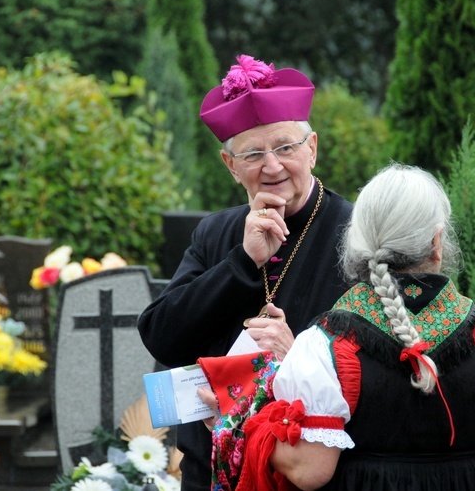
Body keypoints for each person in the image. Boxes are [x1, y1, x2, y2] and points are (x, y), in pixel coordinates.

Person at [229, 163, 475, 490]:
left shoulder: (327, 342)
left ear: (359, 242)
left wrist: (242, 426)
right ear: (436, 242)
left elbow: (310, 470)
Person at [137, 54, 353, 491]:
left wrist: (298, 358)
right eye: (253, 154)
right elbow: (162, 335)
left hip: (306, 470)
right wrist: (243, 262)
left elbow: (381, 365)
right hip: (211, 469)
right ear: (230, 165)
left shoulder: (356, 232)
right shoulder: (215, 232)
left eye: (285, 147)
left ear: (312, 148)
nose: (271, 166)